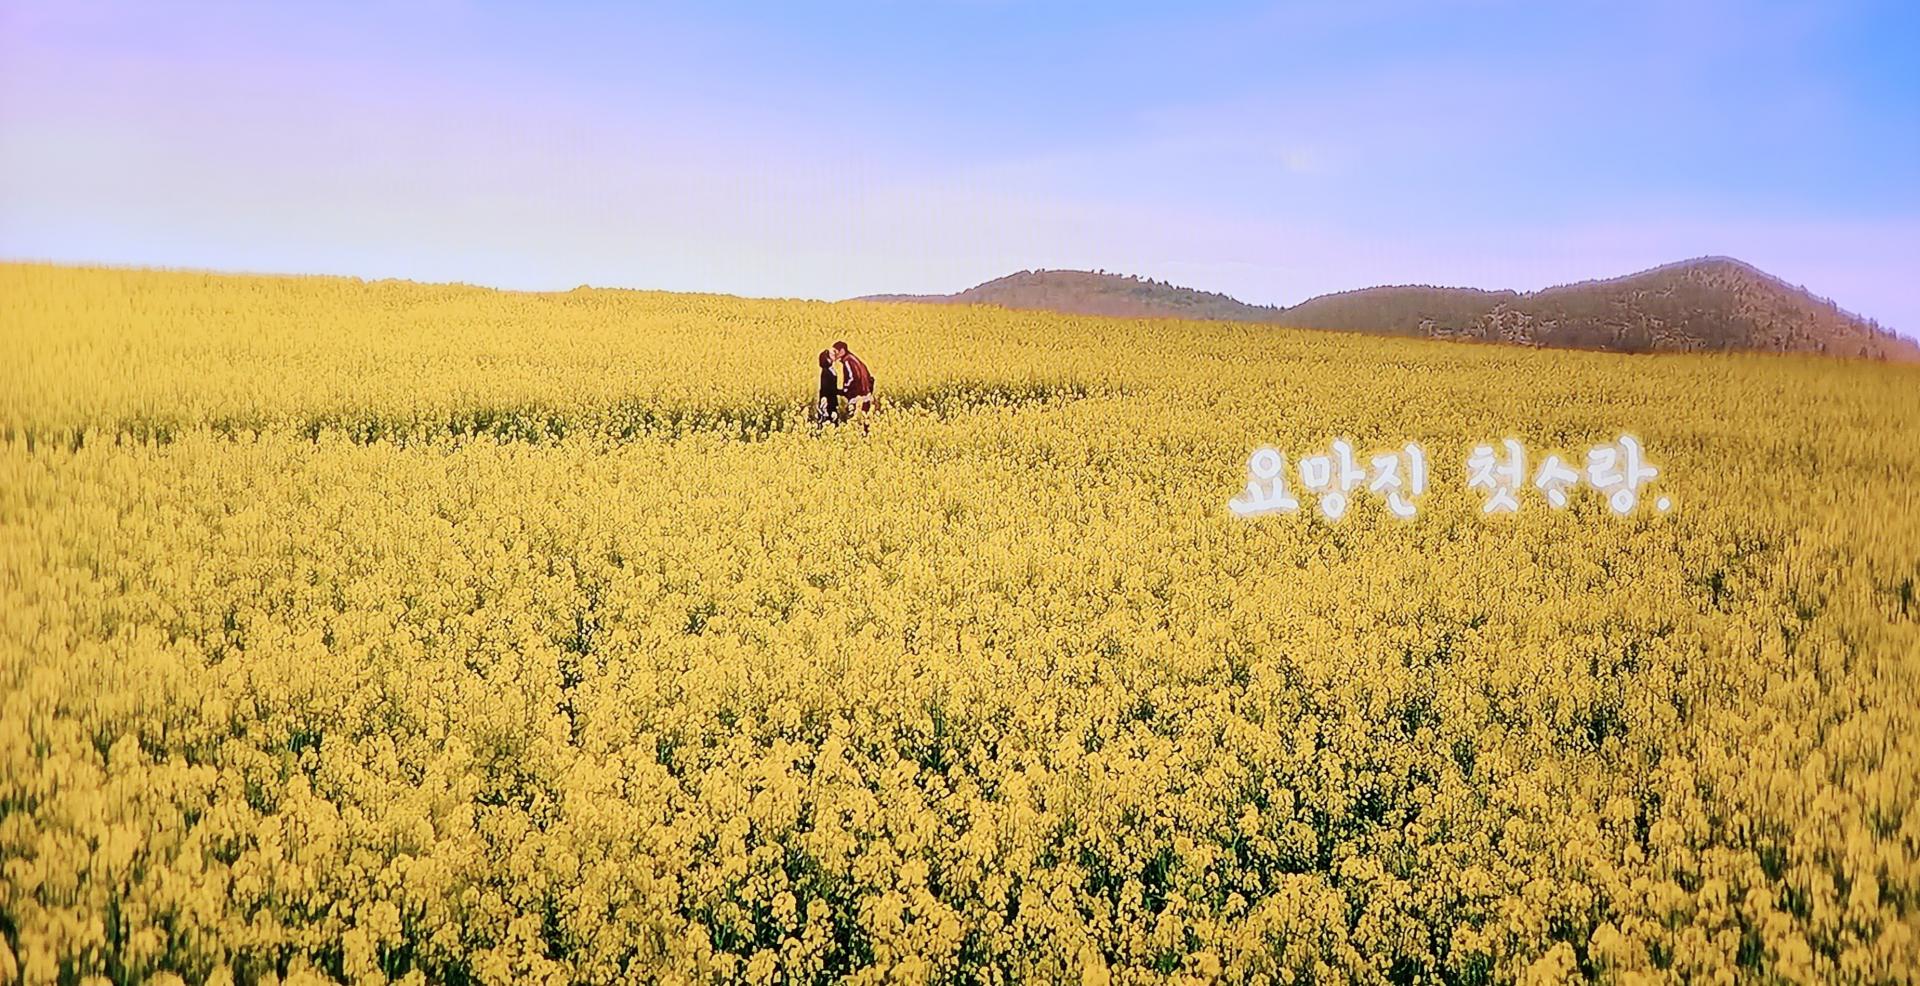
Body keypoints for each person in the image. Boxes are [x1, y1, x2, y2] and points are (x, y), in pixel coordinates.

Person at [833, 341, 874, 432]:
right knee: (864, 423)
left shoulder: (848, 361)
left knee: (856, 423)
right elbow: (870, 377)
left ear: (842, 351)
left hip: (857, 396)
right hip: (865, 395)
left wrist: (845, 390)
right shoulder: (855, 359)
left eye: (836, 352)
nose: (835, 355)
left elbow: (853, 377)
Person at [815, 349, 841, 427]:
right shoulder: (826, 372)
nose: (834, 355)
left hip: (832, 399)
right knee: (829, 421)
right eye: (831, 354)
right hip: (828, 401)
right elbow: (826, 389)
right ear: (827, 358)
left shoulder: (831, 370)